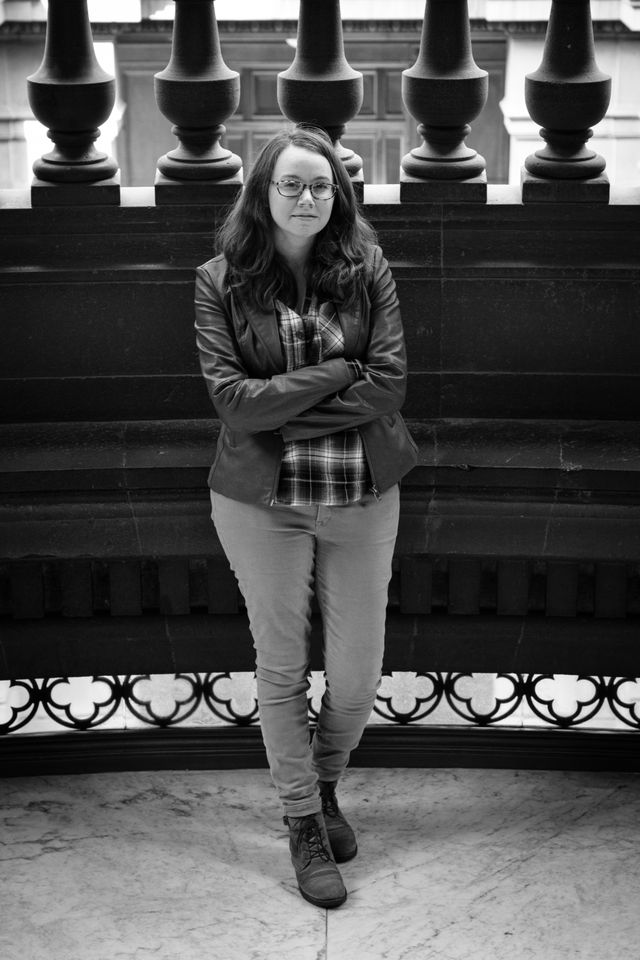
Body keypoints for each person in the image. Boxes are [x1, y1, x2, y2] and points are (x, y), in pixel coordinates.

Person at [194, 125, 417, 909]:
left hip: (361, 490)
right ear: (262, 194)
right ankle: (303, 823)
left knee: (357, 678)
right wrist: (332, 375)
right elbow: (230, 402)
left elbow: (387, 385)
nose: (307, 198)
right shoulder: (219, 280)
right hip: (261, 502)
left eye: (320, 186)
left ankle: (321, 785)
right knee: (282, 668)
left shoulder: (368, 268)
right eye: (290, 185)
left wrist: (284, 412)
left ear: (338, 194)